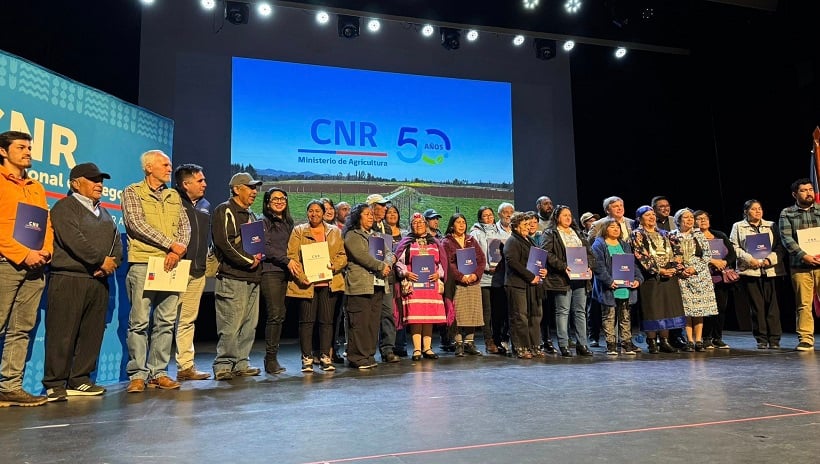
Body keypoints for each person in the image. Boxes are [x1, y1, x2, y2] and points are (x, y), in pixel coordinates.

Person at [42, 163, 121, 402]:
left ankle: (80, 379)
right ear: (76, 183)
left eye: (101, 180)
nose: (100, 184)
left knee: (91, 332)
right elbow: (72, 240)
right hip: (69, 278)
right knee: (62, 332)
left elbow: (116, 242)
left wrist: (111, 263)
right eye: (93, 180)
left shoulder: (105, 213)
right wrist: (99, 261)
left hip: (98, 281)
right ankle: (55, 383)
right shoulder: (65, 207)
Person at [122, 150, 191, 393]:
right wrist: (170, 244)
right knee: (139, 322)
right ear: (149, 167)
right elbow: (136, 224)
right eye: (165, 164)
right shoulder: (133, 192)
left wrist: (177, 251)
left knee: (166, 321)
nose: (169, 168)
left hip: (172, 264)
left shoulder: (173, 195)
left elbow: (185, 228)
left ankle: (158, 372)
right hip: (143, 263)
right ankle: (137, 374)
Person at [0, 131, 53, 407]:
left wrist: (46, 251)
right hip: (5, 263)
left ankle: (10, 387)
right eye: (20, 147)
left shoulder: (35, 186)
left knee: (21, 328)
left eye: (29, 147)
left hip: (36, 266)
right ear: (3, 152)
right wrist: (23, 254)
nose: (27, 152)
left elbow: (45, 223)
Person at [211, 172, 264, 380]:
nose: (254, 192)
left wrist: (259, 258)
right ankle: (224, 364)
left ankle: (241, 362)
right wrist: (250, 261)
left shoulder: (251, 214)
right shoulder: (225, 210)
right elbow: (224, 243)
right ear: (236, 189)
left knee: (249, 324)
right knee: (230, 324)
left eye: (255, 188)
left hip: (252, 277)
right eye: (250, 187)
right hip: (233, 277)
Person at [287, 200, 347, 372]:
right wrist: (301, 277)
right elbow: (292, 256)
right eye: (311, 211)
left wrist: (334, 266)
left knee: (327, 322)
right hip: (307, 284)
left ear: (323, 213)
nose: (314, 214)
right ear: (307, 213)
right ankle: (306, 358)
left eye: (317, 211)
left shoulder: (334, 231)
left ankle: (325, 356)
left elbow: (342, 255)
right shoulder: (298, 231)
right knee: (306, 322)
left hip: (330, 283)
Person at [172, 164, 211, 381]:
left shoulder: (205, 204)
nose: (205, 184)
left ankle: (185, 367)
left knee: (187, 320)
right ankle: (155, 369)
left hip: (197, 270)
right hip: (176, 268)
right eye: (200, 180)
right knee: (166, 319)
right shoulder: (172, 200)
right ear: (186, 184)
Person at [342, 203, 393, 369]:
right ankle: (357, 357)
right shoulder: (352, 235)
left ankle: (369, 355)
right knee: (359, 323)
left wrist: (388, 264)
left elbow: (389, 253)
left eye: (372, 214)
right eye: (367, 214)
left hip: (377, 285)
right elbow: (361, 256)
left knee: (372, 323)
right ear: (358, 217)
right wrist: (381, 266)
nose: (371, 217)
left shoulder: (376, 236)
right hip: (360, 285)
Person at [630, 205, 686, 354]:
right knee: (653, 309)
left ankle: (665, 341)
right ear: (640, 219)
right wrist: (659, 270)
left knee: (667, 308)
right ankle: (652, 342)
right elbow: (640, 254)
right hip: (651, 278)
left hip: (669, 276)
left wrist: (674, 268)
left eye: (653, 214)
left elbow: (678, 251)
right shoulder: (637, 234)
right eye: (647, 215)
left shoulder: (666, 234)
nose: (651, 217)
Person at [542, 205, 595, 357]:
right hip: (562, 278)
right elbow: (547, 254)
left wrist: (589, 267)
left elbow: (589, 254)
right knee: (563, 311)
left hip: (581, 278)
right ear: (557, 217)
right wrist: (563, 266)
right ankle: (564, 344)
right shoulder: (550, 233)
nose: (568, 218)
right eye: (564, 215)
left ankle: (582, 344)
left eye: (570, 215)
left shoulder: (577, 232)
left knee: (580, 311)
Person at [731, 200, 784, 349]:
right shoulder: (738, 226)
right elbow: (734, 246)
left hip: (771, 270)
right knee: (757, 307)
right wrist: (750, 259)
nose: (758, 211)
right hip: (750, 271)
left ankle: (774, 339)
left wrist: (769, 259)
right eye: (754, 209)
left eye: (760, 208)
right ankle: (761, 339)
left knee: (772, 306)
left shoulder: (771, 225)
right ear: (746, 212)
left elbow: (780, 246)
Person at [395, 212, 446, 360]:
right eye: (415, 223)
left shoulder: (434, 242)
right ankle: (417, 349)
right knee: (416, 317)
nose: (418, 225)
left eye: (421, 223)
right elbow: (398, 261)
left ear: (425, 225)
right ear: (411, 226)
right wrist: (405, 273)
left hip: (431, 284)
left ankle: (427, 348)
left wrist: (439, 274)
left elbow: (442, 262)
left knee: (429, 317)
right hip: (414, 285)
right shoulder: (407, 242)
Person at [260, 187, 300, 374]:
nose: (279, 201)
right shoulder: (263, 222)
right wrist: (287, 260)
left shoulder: (289, 222)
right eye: (274, 198)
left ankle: (273, 357)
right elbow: (266, 249)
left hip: (287, 272)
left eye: (282, 198)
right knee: (275, 315)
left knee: (281, 315)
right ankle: (270, 359)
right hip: (271, 272)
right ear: (267, 202)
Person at [668, 208, 718, 352]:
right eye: (686, 217)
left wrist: (695, 269)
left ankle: (698, 340)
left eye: (691, 217)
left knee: (699, 310)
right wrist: (681, 270)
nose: (690, 220)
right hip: (682, 277)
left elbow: (707, 255)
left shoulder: (699, 235)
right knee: (687, 310)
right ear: (678, 220)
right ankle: (689, 340)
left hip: (699, 276)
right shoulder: (672, 236)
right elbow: (670, 256)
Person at [590, 217, 642, 355]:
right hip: (609, 288)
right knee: (609, 316)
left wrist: (638, 279)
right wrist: (608, 281)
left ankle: (626, 343)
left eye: (617, 227)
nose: (615, 229)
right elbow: (598, 266)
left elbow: (632, 264)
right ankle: (611, 344)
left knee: (625, 316)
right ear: (605, 229)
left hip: (625, 288)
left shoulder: (624, 244)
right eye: (612, 227)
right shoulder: (599, 244)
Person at [779, 178, 820, 351]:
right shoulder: (787, 213)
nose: (809, 192)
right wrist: (804, 256)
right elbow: (786, 239)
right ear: (795, 194)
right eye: (804, 190)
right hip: (800, 265)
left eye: (811, 189)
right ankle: (806, 338)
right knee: (803, 304)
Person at [443, 213, 486, 356]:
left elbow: (481, 260)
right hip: (457, 283)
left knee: (472, 313)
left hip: (473, 282)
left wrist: (475, 275)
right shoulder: (447, 242)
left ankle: (469, 342)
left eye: (463, 222)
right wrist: (461, 277)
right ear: (451, 225)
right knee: (458, 314)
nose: (462, 225)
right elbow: (448, 263)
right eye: (458, 222)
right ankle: (458, 344)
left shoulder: (471, 240)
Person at [504, 212, 546, 359]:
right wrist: (531, 276)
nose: (528, 227)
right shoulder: (512, 241)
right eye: (525, 225)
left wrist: (542, 271)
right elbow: (512, 262)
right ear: (515, 226)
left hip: (532, 285)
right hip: (517, 284)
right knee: (519, 316)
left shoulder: (530, 241)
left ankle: (534, 345)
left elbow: (537, 260)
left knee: (535, 315)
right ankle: (521, 347)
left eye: (529, 224)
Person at [694, 209, 737, 349]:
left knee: (721, 308)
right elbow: (694, 256)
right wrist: (713, 262)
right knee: (706, 309)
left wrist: (724, 262)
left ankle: (717, 337)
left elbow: (731, 253)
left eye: (705, 218)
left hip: (720, 277)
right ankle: (706, 338)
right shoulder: (693, 237)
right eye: (699, 218)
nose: (703, 220)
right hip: (703, 278)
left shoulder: (720, 235)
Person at [366, 193, 400, 363]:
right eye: (380, 206)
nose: (385, 209)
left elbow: (389, 250)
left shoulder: (386, 228)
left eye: (384, 206)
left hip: (386, 276)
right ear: (371, 208)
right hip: (368, 276)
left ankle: (388, 349)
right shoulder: (362, 226)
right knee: (369, 315)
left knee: (388, 313)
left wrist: (389, 262)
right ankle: (368, 351)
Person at [470, 206, 503, 354]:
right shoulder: (475, 233)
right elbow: (474, 255)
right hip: (484, 277)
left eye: (490, 215)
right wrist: (484, 268)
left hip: (498, 276)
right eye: (485, 215)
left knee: (498, 311)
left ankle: (498, 339)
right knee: (487, 312)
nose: (488, 218)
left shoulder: (499, 231)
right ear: (480, 218)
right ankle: (488, 340)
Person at [385, 203, 408, 357]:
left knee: (401, 310)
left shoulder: (405, 234)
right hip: (387, 276)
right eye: (389, 212)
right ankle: (388, 345)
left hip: (402, 278)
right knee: (388, 312)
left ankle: (400, 344)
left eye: (395, 212)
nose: (392, 215)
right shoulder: (381, 234)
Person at [492, 202, 514, 353]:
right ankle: (497, 340)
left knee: (511, 312)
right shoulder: (494, 230)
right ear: (499, 214)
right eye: (505, 212)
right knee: (498, 312)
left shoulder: (517, 230)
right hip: (499, 277)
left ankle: (508, 338)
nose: (508, 214)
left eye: (511, 212)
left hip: (514, 278)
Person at [579, 211, 602, 346]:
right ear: (584, 224)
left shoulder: (601, 235)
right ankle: (593, 335)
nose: (593, 222)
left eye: (595, 220)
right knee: (592, 306)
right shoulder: (581, 236)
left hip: (601, 271)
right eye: (589, 220)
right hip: (587, 274)